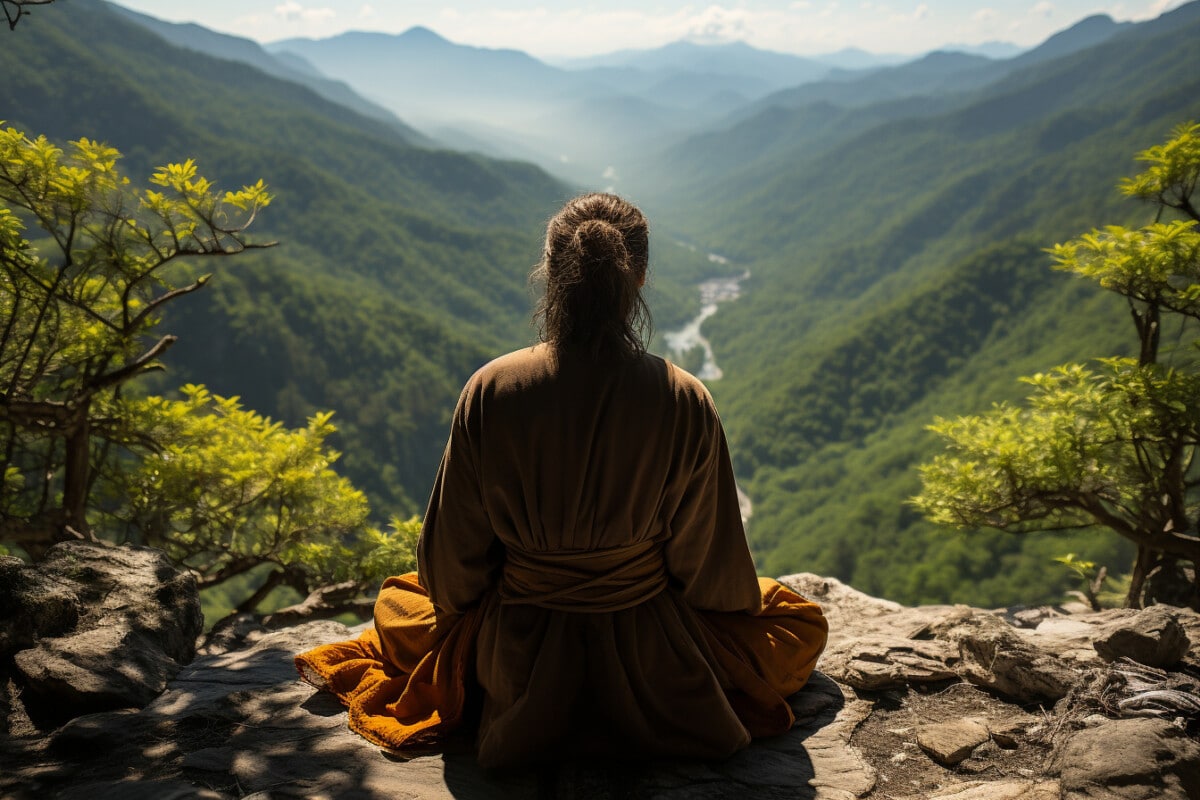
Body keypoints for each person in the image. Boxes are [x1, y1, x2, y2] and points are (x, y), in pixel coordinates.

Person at [295, 192, 828, 768]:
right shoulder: (683, 398)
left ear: (551, 274)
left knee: (401, 600)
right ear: (639, 277)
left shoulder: (492, 389)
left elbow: (450, 571)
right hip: (656, 657)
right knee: (796, 620)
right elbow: (713, 579)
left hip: (514, 652)